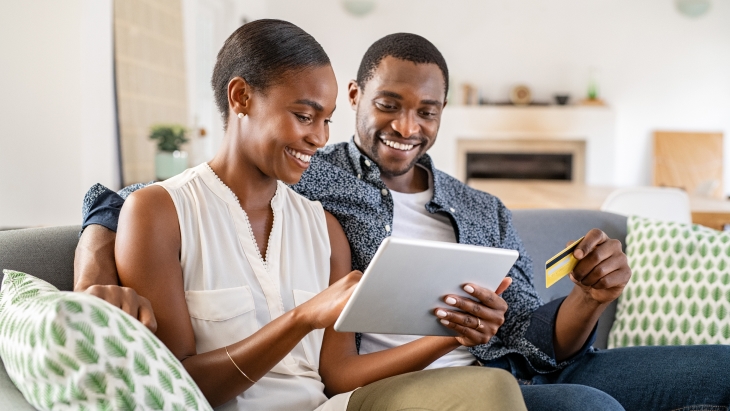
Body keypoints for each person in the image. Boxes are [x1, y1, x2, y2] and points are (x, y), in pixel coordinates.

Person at [75, 31, 730, 411]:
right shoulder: (313, 173)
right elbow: (128, 197)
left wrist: (587, 296)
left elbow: (535, 333)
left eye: (428, 111)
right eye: (390, 104)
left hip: (524, 367)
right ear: (358, 97)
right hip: (428, 386)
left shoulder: (480, 208)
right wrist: (94, 274)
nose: (407, 128)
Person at [81, 19, 527, 411]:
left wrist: (456, 334)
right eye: (304, 116)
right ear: (241, 97)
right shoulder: (159, 213)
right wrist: (301, 318)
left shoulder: (325, 227)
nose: (318, 138)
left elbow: (338, 377)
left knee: (492, 388)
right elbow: (176, 388)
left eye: (327, 120)